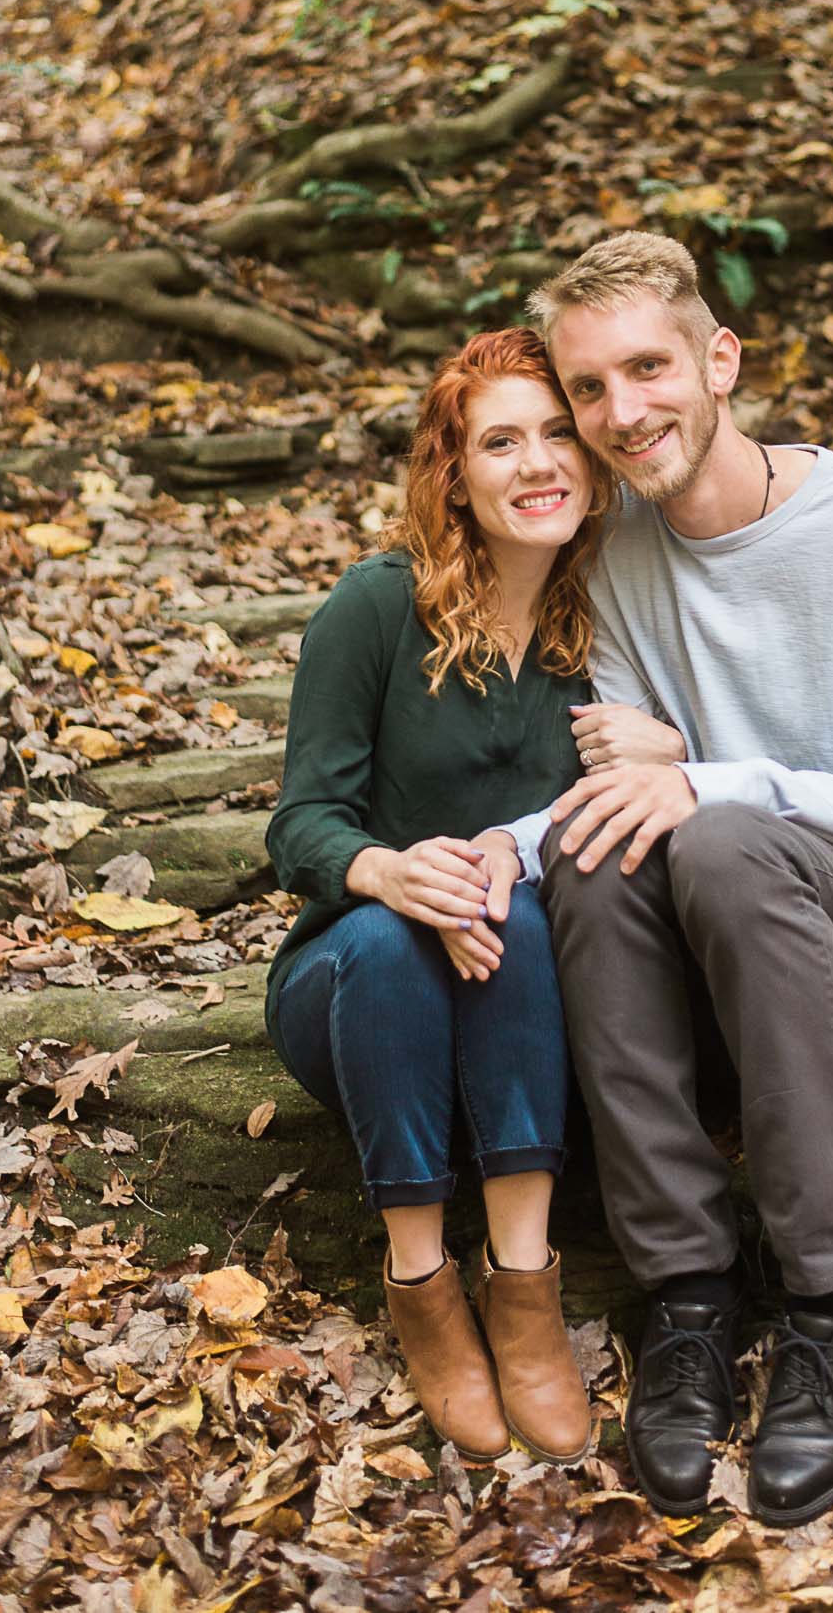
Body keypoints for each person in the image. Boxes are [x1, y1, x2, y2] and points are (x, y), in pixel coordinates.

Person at [491, 233, 833, 1528]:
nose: (619, 412)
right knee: (595, 856)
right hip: (733, 954)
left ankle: (832, 1303)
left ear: (720, 359)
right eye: (588, 387)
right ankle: (689, 1293)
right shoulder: (615, 563)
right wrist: (489, 852)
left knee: (706, 827)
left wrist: (719, 778)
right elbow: (626, 804)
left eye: (647, 367)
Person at [264, 328, 614, 1467]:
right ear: (453, 473)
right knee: (393, 938)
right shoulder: (373, 610)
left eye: (558, 433)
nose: (537, 462)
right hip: (358, 990)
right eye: (500, 441)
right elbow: (302, 823)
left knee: (511, 909)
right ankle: (420, 1283)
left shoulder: (605, 625)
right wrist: (391, 872)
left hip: (521, 997)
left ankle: (524, 1291)